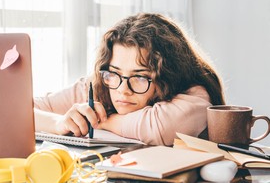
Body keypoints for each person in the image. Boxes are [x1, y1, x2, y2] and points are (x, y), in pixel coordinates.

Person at [34, 12, 225, 146]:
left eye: (140, 77)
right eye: (115, 72)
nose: (123, 89)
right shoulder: (104, 82)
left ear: (168, 75)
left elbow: (159, 127)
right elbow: (23, 113)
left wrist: (102, 121)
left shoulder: (196, 94)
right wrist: (59, 123)